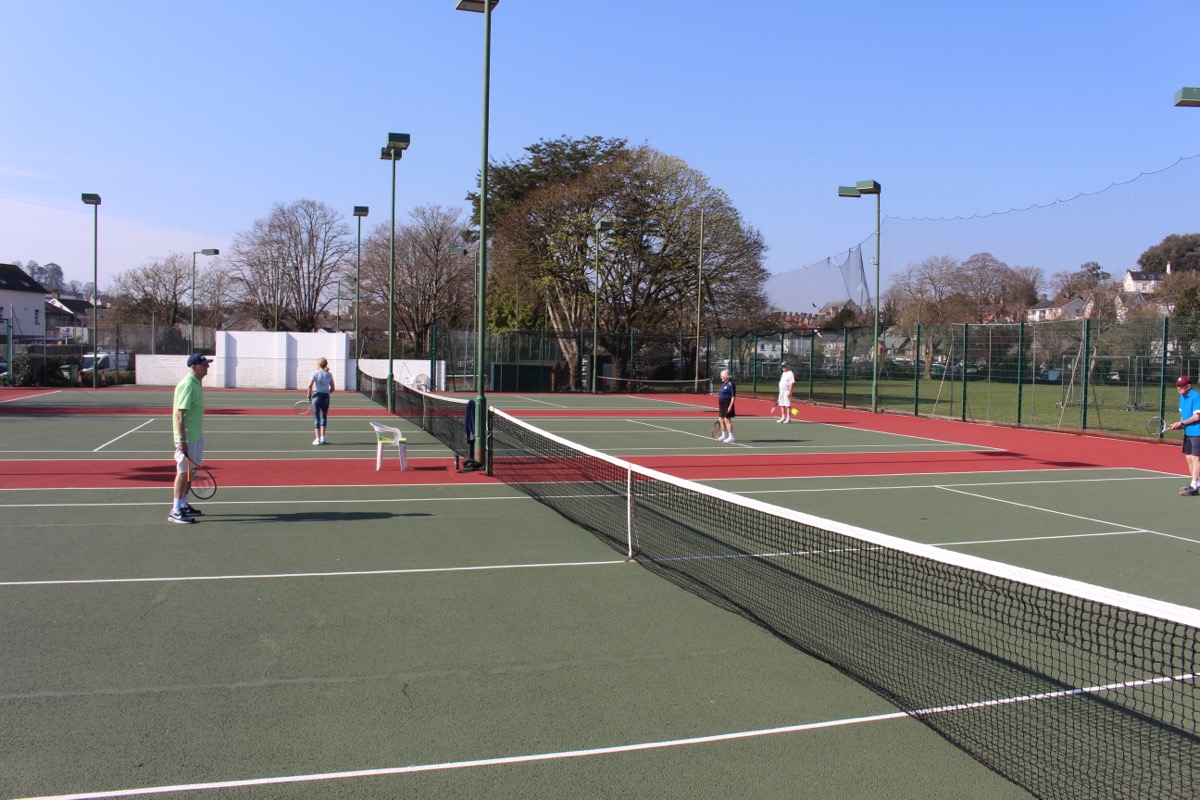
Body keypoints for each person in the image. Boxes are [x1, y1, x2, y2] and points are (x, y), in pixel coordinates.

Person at [170, 353, 211, 524]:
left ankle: (184, 504)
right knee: (183, 472)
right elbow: (180, 414)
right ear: (194, 366)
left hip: (195, 435)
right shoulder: (187, 385)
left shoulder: (196, 383)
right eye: (204, 365)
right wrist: (182, 440)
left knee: (190, 472)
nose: (207, 367)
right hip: (188, 438)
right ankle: (175, 510)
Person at [1168, 375, 1200, 496]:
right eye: (1178, 386)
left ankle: (1194, 485)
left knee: (1196, 458)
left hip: (1198, 432)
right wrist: (1180, 424)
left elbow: (1197, 416)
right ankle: (1196, 483)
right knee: (1189, 458)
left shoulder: (1196, 396)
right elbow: (1184, 416)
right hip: (1188, 432)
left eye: (1181, 386)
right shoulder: (1182, 397)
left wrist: (1181, 423)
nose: (1179, 388)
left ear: (1189, 386)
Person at [307, 357, 336, 445]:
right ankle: (323, 437)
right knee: (324, 416)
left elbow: (310, 385)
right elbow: (333, 388)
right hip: (325, 396)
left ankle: (317, 438)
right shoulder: (329, 374)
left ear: (318, 364)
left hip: (316, 396)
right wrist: (327, 392)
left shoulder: (315, 373)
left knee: (317, 417)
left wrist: (308, 394)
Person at [717, 368, 737, 443]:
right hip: (722, 404)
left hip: (727, 403)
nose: (721, 377)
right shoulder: (724, 384)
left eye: (722, 376)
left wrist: (730, 406)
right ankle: (723, 435)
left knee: (727, 420)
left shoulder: (731, 384)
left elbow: (733, 396)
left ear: (726, 376)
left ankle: (731, 436)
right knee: (721, 419)